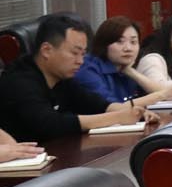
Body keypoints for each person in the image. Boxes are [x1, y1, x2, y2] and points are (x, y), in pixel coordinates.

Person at [0, 13, 144, 141]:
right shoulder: (19, 81)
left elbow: (97, 104)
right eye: (75, 53)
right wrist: (116, 117)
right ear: (46, 50)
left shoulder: (62, 79)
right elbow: (50, 125)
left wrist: (134, 113)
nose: (80, 61)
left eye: (83, 54)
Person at [72, 16, 172, 108]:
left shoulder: (125, 68)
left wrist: (132, 72)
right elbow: (112, 108)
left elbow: (162, 95)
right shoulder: (87, 68)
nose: (128, 48)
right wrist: (162, 95)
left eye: (133, 42)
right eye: (120, 42)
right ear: (104, 44)